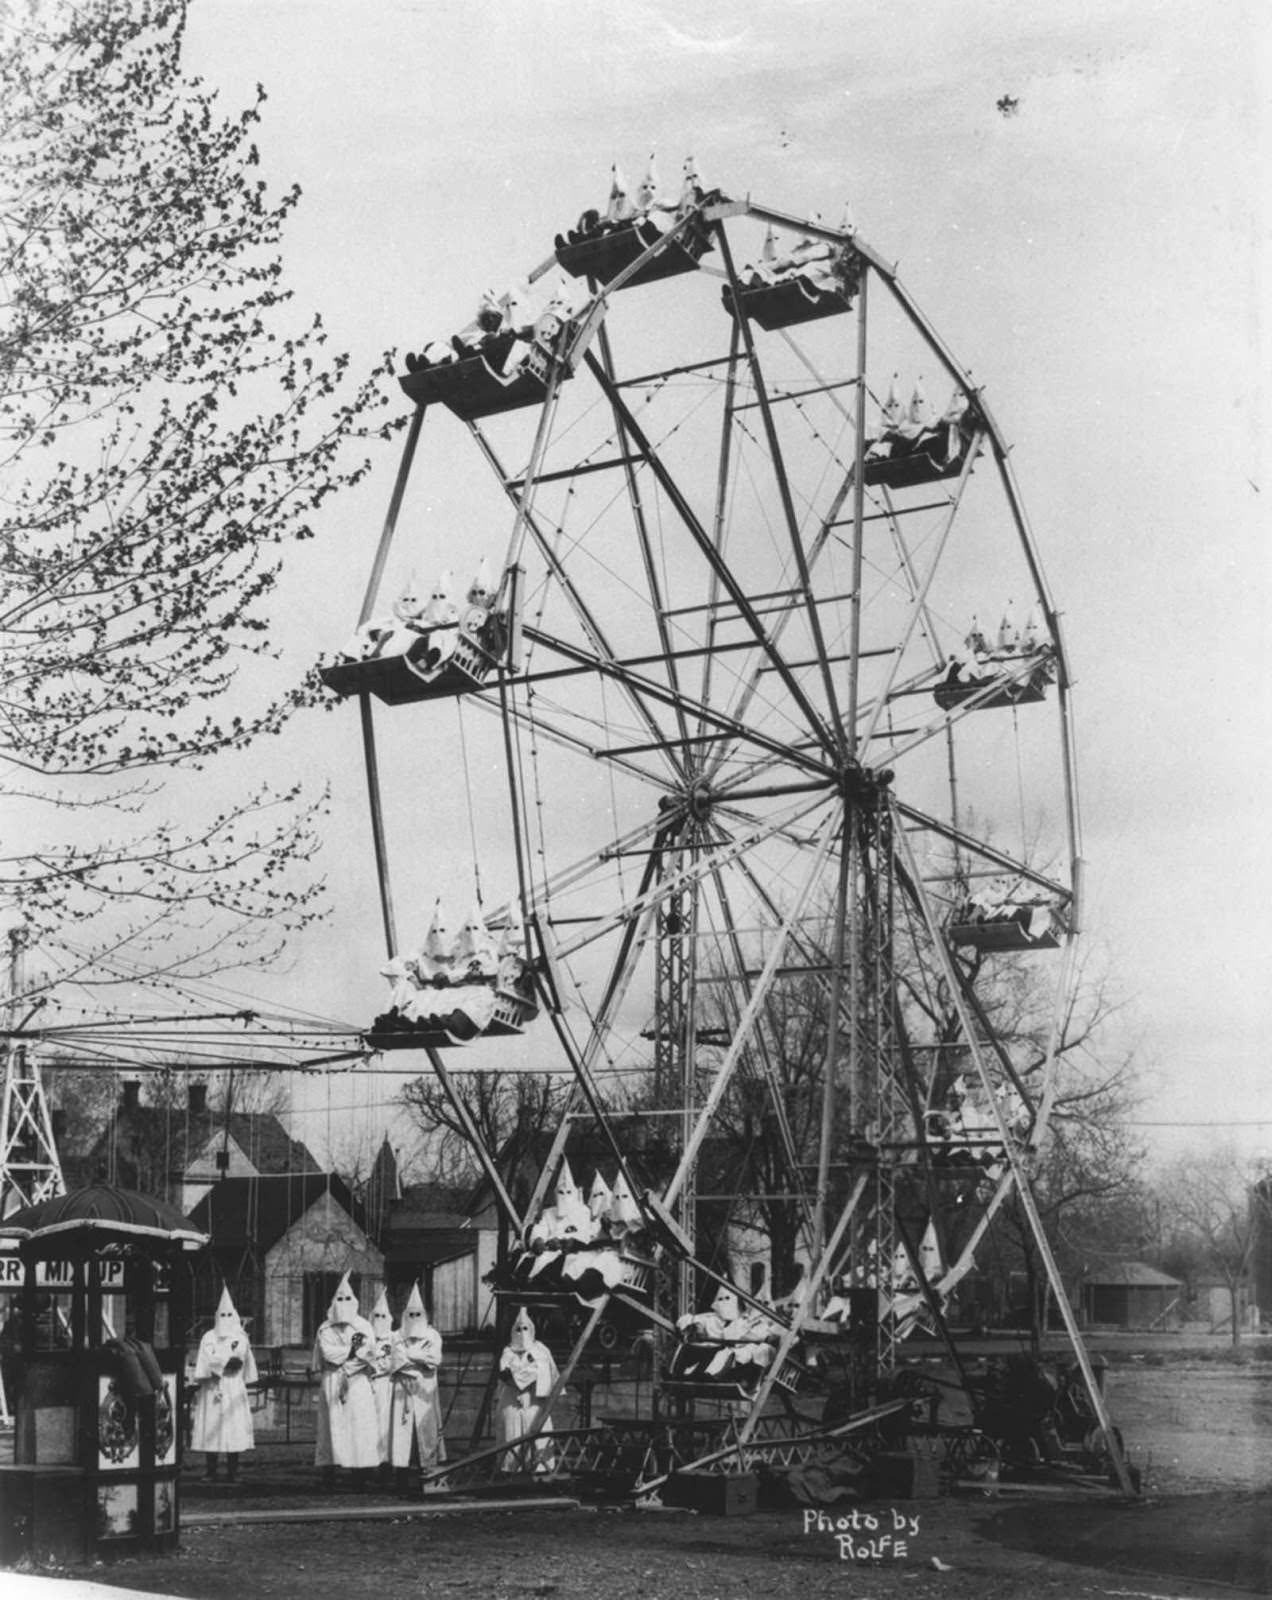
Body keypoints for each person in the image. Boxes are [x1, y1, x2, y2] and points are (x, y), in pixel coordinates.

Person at [313, 1273, 382, 1489]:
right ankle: (329, 1471)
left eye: (347, 1299)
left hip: (357, 1382)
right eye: (339, 1299)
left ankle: (360, 1472)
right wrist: (351, 1352)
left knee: (358, 1425)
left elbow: (368, 1354)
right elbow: (327, 1353)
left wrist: (348, 1363)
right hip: (333, 1381)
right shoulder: (325, 1327)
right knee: (331, 1426)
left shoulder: (364, 1326)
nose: (343, 1304)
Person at [190, 1286, 257, 1483]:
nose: (226, 1318)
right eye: (223, 1314)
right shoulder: (208, 1337)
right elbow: (206, 1360)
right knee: (212, 1426)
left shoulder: (240, 1337)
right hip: (212, 1387)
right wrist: (223, 1361)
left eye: (229, 1314)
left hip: (232, 1386)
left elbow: (238, 1360)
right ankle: (211, 1471)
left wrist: (219, 1360)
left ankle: (232, 1472)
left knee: (232, 1427)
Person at [388, 1284, 445, 1492]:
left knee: (425, 1428)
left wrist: (410, 1357)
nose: (414, 1317)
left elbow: (435, 1359)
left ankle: (428, 1473)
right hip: (402, 1389)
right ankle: (401, 1477)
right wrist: (419, 1359)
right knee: (402, 1431)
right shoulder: (396, 1336)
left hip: (424, 1389)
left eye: (417, 1314)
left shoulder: (433, 1335)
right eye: (410, 1314)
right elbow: (395, 1360)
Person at [496, 1307, 559, 1474]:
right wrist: (527, 1372)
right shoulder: (508, 1351)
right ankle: (510, 1469)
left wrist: (521, 1372)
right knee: (512, 1434)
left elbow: (544, 1372)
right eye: (518, 1329)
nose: (522, 1333)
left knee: (538, 1433)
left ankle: (540, 1468)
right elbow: (505, 1373)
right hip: (512, 1400)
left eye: (525, 1328)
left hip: (535, 1402)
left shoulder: (540, 1350)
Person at [368, 1289, 395, 1481]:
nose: (379, 1319)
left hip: (386, 1385)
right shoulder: (366, 1338)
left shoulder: (394, 1339)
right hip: (367, 1386)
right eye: (376, 1316)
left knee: (385, 1427)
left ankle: (385, 1467)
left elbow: (392, 1362)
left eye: (383, 1316)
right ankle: (367, 1467)